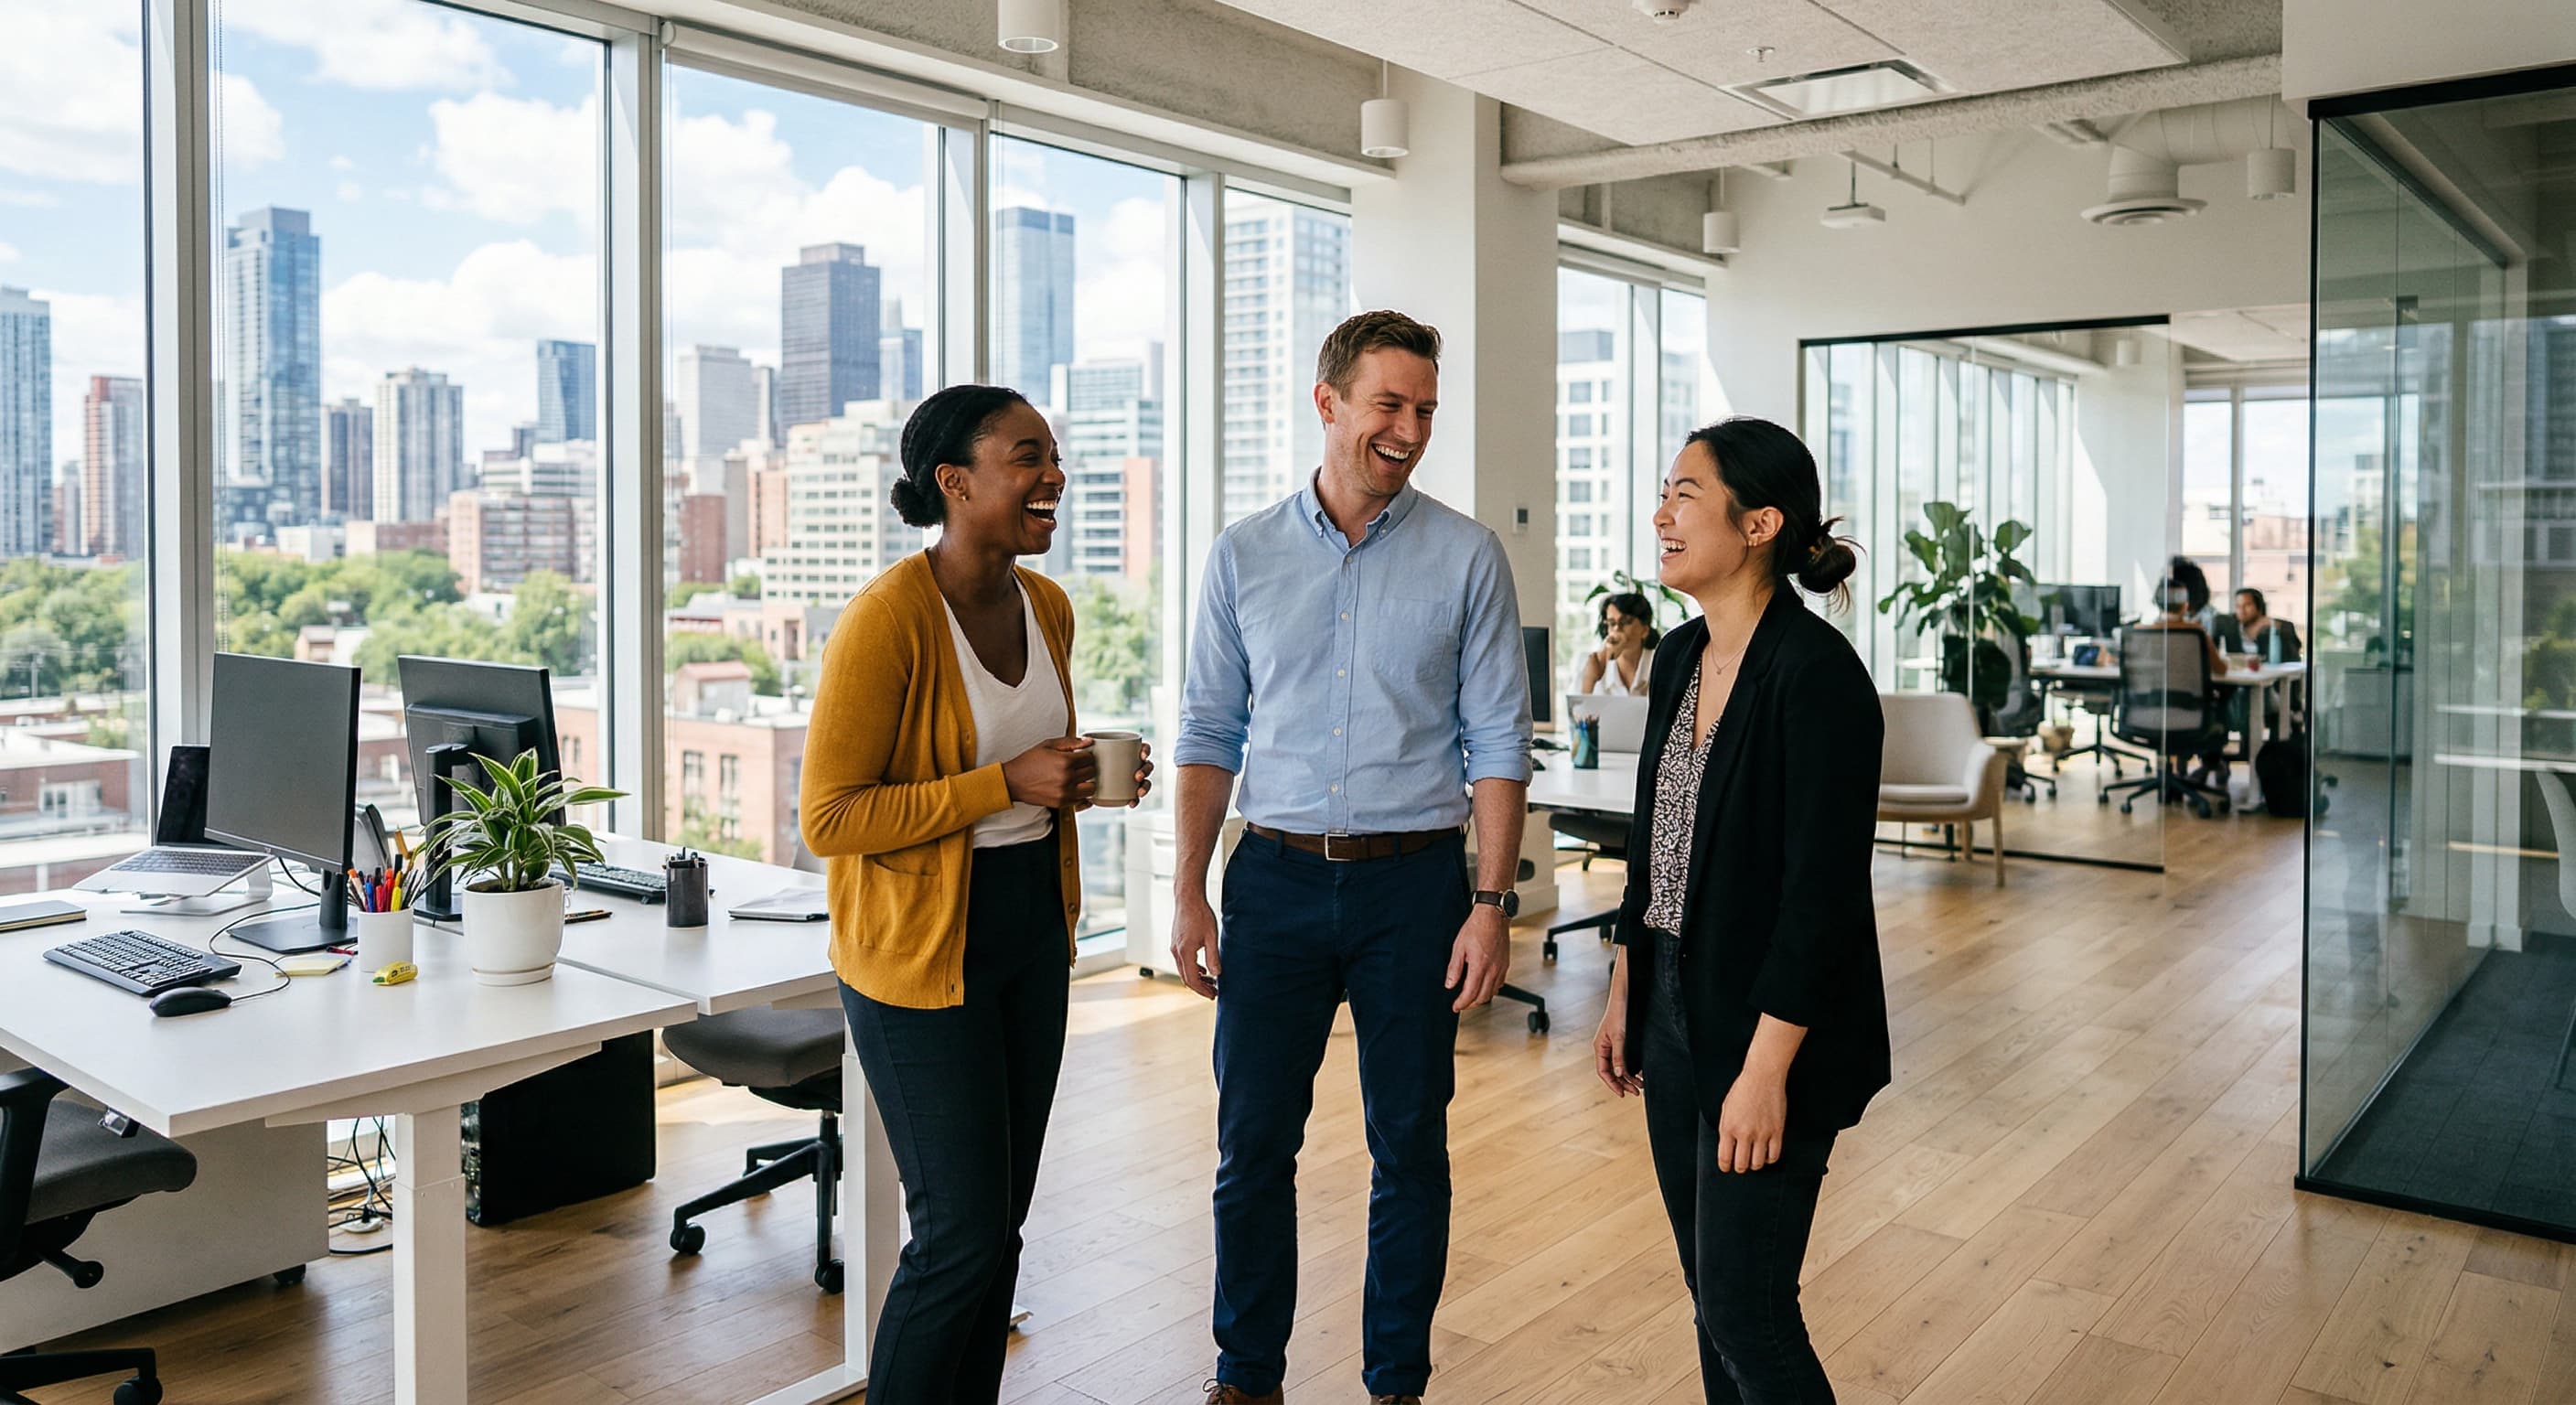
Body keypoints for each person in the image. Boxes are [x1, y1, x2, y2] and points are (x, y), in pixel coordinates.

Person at [1171, 310, 1532, 1405]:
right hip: (1273, 879)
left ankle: (1394, 1385)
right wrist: (1187, 892)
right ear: (1327, 402)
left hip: (1414, 886)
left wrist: (1490, 901)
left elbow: (1498, 744)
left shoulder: (1467, 555)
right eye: (1388, 404)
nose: (1409, 429)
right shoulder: (1242, 555)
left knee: (1409, 1146)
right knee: (1250, 1148)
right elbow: (1205, 734)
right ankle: (1245, 1378)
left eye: (1424, 409)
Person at [799, 383, 1153, 1404]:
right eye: (1026, 456)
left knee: (997, 1230)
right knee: (955, 1234)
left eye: (1053, 456)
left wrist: (1074, 780)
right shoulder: (885, 621)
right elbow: (830, 818)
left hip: (1029, 931)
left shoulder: (1048, 607)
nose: (1053, 477)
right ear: (954, 484)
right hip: (916, 957)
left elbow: (1029, 769)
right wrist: (1004, 784)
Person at [1592, 416, 1887, 1405]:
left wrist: (1764, 1074)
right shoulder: (1677, 657)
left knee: (1746, 1310)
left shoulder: (1816, 678)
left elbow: (1823, 900)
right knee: (1707, 1294)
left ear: (1758, 523)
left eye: (1684, 493)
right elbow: (1653, 849)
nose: (1659, 514)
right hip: (1674, 1002)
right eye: (1662, 491)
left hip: (1771, 1028)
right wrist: (1624, 985)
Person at [1578, 591, 1661, 696]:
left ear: (1644, 630)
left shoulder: (1660, 663)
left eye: (1626, 621)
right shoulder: (1591, 661)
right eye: (1612, 623)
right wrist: (1591, 678)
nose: (1617, 628)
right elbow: (1577, 709)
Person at [2233, 587, 2302, 665]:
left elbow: (2294, 658)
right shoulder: (2232, 628)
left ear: (2259, 607)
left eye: (2247, 605)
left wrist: (2275, 626)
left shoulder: (2278, 627)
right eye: (2238, 606)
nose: (2242, 611)